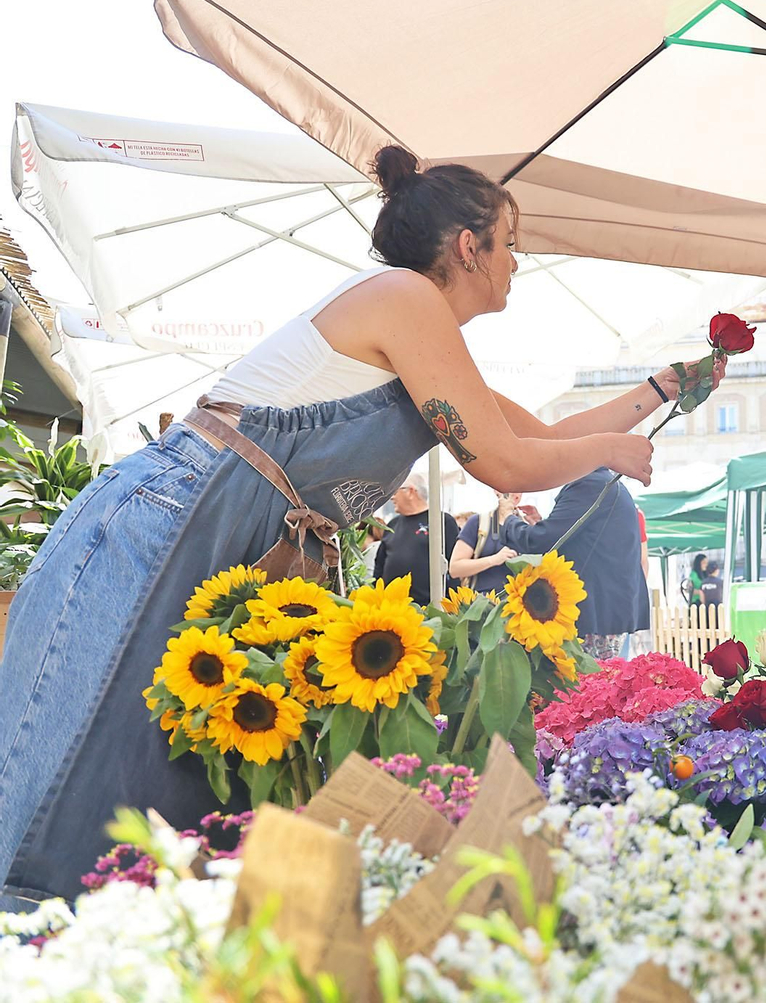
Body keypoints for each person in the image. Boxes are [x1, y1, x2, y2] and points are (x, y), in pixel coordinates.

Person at [0, 145, 723, 907]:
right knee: (81, 766)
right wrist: (611, 451)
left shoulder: (427, 333)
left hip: (233, 540)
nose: (518, 260)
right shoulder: (404, 297)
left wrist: (660, 388)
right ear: (468, 246)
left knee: (176, 780)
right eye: (509, 241)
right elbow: (506, 463)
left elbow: (539, 436)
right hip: (177, 521)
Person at [499, 469, 650, 661]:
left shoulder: (588, 485)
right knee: (598, 684)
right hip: (606, 614)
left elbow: (540, 542)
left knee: (582, 685)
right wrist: (540, 524)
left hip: (591, 614)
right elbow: (582, 541)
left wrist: (508, 520)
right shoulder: (608, 483)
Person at [375, 473, 461, 605]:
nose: (391, 497)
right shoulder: (392, 524)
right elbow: (380, 565)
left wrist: (452, 604)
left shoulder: (441, 521)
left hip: (429, 609)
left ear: (410, 491)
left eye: (395, 491)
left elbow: (454, 563)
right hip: (391, 609)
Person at [449, 490, 525, 593]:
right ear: (497, 491)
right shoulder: (478, 522)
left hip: (519, 604)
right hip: (483, 604)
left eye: (519, 488)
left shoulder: (527, 527)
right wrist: (493, 560)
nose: (515, 493)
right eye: (509, 487)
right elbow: (455, 569)